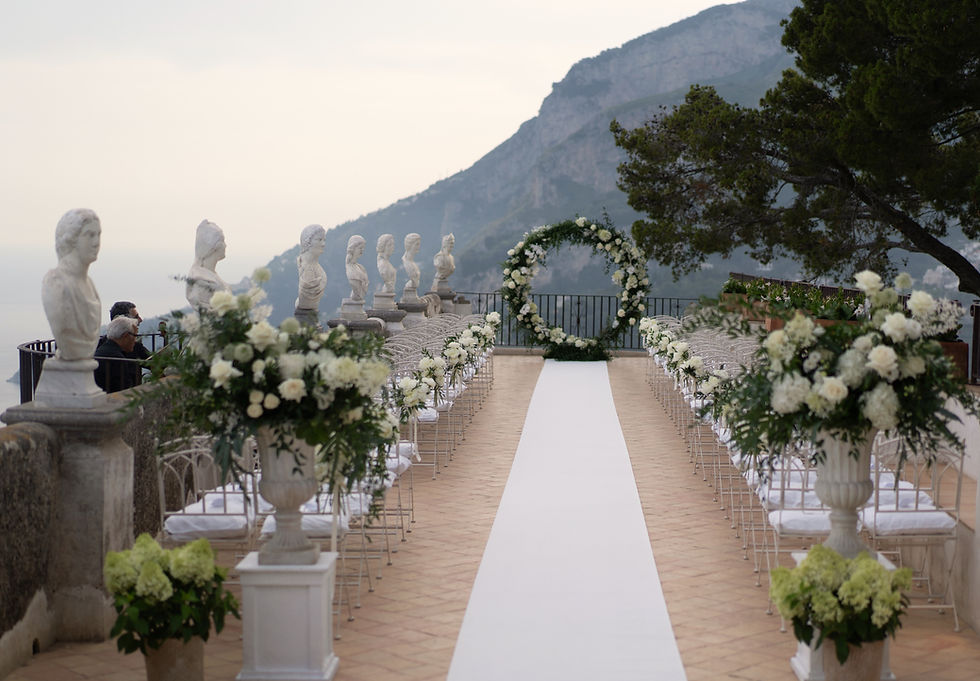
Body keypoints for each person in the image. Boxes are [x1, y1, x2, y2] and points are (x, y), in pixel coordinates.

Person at [41, 208, 102, 361]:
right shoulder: (56, 283)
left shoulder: (89, 284)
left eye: (98, 235)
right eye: (89, 235)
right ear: (71, 239)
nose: (96, 243)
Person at [186, 219, 230, 309]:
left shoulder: (210, 276)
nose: (226, 245)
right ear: (215, 246)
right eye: (223, 241)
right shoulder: (202, 280)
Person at [94, 316, 143, 393]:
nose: (135, 340)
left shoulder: (101, 351)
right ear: (126, 336)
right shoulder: (117, 359)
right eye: (135, 336)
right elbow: (126, 393)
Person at [295, 224, 327, 315]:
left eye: (324, 240)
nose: (323, 244)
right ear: (307, 242)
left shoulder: (318, 268)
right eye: (319, 240)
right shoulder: (305, 267)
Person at [346, 235, 369, 302]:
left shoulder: (361, 268)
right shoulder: (350, 268)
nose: (362, 250)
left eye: (363, 248)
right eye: (360, 248)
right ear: (353, 248)